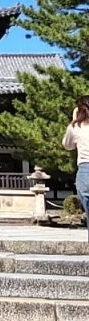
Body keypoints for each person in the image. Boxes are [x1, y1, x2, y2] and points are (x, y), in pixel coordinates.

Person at [62, 98, 89, 229]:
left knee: (85, 197)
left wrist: (74, 119)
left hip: (85, 166)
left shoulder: (75, 127)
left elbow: (67, 145)